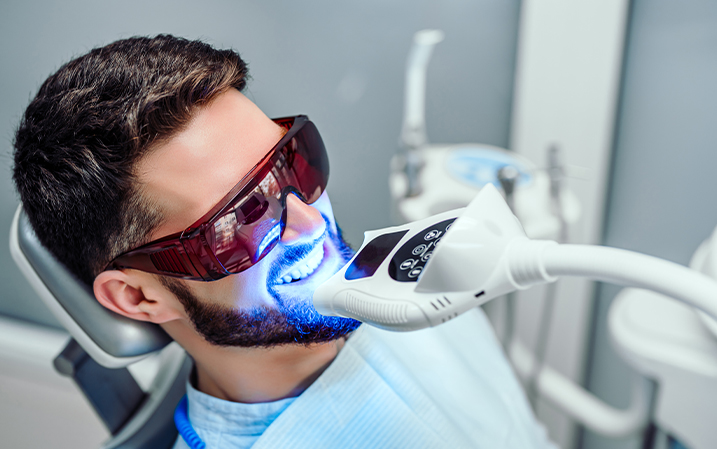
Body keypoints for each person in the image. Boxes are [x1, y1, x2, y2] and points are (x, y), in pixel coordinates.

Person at [12, 35, 555, 448]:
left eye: (292, 163)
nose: (310, 223)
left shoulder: (416, 274)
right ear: (139, 296)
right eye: (238, 220)